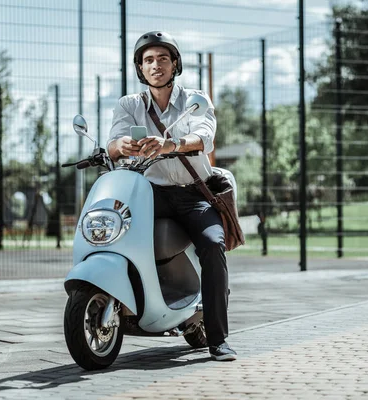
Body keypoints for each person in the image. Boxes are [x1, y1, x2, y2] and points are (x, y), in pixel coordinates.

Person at [106, 31, 236, 361]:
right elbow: (112, 145)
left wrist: (171, 145)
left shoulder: (196, 99)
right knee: (115, 236)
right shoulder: (128, 105)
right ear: (140, 68)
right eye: (148, 60)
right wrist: (120, 146)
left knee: (212, 244)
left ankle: (218, 339)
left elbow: (203, 137)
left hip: (193, 195)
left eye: (163, 58)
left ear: (175, 63)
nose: (156, 65)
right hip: (151, 194)